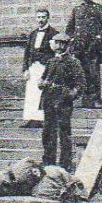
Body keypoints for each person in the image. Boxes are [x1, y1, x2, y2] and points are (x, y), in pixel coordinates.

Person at [65, 0, 102, 107]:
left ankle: (96, 100)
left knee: (94, 73)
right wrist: (73, 39)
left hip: (93, 47)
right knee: (81, 73)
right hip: (80, 47)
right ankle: (84, 100)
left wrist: (99, 38)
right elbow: (69, 29)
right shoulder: (76, 10)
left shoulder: (98, 8)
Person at [39, 34, 84, 171]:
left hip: (63, 102)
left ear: (67, 45)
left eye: (62, 44)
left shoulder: (73, 62)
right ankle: (48, 161)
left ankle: (65, 163)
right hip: (49, 100)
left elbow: (80, 83)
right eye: (57, 43)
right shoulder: (51, 61)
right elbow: (42, 79)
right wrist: (42, 83)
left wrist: (70, 95)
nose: (59, 47)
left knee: (64, 132)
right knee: (48, 132)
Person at [21, 9, 57, 126]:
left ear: (48, 18)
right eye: (39, 17)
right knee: (31, 92)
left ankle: (41, 119)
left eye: (43, 17)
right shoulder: (33, 34)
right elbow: (27, 53)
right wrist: (25, 69)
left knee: (42, 92)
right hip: (33, 67)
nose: (41, 20)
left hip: (45, 67)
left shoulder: (53, 33)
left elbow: (55, 53)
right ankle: (31, 118)